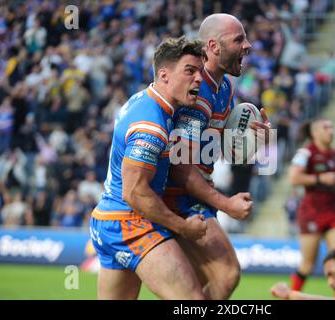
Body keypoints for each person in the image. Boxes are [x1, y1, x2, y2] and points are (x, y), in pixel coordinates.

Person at [89, 37, 212, 300]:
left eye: (200, 71)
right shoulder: (151, 125)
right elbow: (134, 193)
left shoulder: (143, 100)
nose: (198, 79)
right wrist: (182, 227)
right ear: (164, 75)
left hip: (108, 220)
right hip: (131, 222)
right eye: (190, 71)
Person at [163, 13, 270, 300]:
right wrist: (226, 204)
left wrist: (251, 141)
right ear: (213, 46)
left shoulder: (225, 88)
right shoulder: (196, 93)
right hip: (178, 199)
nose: (248, 46)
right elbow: (179, 167)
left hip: (195, 194)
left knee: (197, 288)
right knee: (226, 273)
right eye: (239, 39)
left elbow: (215, 149)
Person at [288, 119, 335, 292]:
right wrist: (320, 179)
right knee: (307, 265)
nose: (331, 131)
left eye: (332, 127)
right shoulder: (306, 152)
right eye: (326, 127)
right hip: (312, 213)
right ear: (315, 133)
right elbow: (293, 178)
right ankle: (292, 295)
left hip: (333, 212)